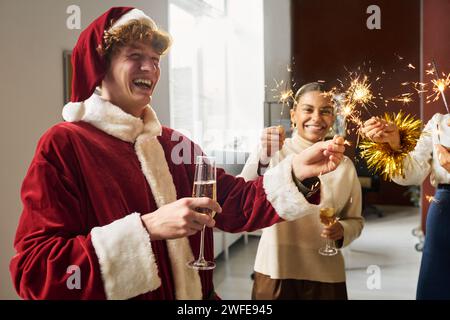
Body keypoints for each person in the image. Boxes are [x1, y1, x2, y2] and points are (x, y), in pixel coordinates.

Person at [10, 8, 346, 300]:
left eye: (155, 60)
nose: (150, 69)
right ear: (101, 66)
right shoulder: (64, 145)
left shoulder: (173, 144)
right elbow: (35, 272)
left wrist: (296, 172)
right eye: (134, 56)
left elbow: (234, 203)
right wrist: (148, 228)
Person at [240, 82, 364, 300]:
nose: (316, 118)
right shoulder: (274, 151)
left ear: (333, 116)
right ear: (293, 115)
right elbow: (242, 194)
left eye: (325, 111)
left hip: (326, 273)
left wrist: (342, 229)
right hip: (275, 268)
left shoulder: (343, 165)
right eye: (308, 109)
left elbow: (356, 220)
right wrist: (263, 154)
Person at [362, 112, 450, 299]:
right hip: (444, 212)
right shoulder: (439, 122)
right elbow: (412, 174)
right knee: (437, 288)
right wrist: (394, 143)